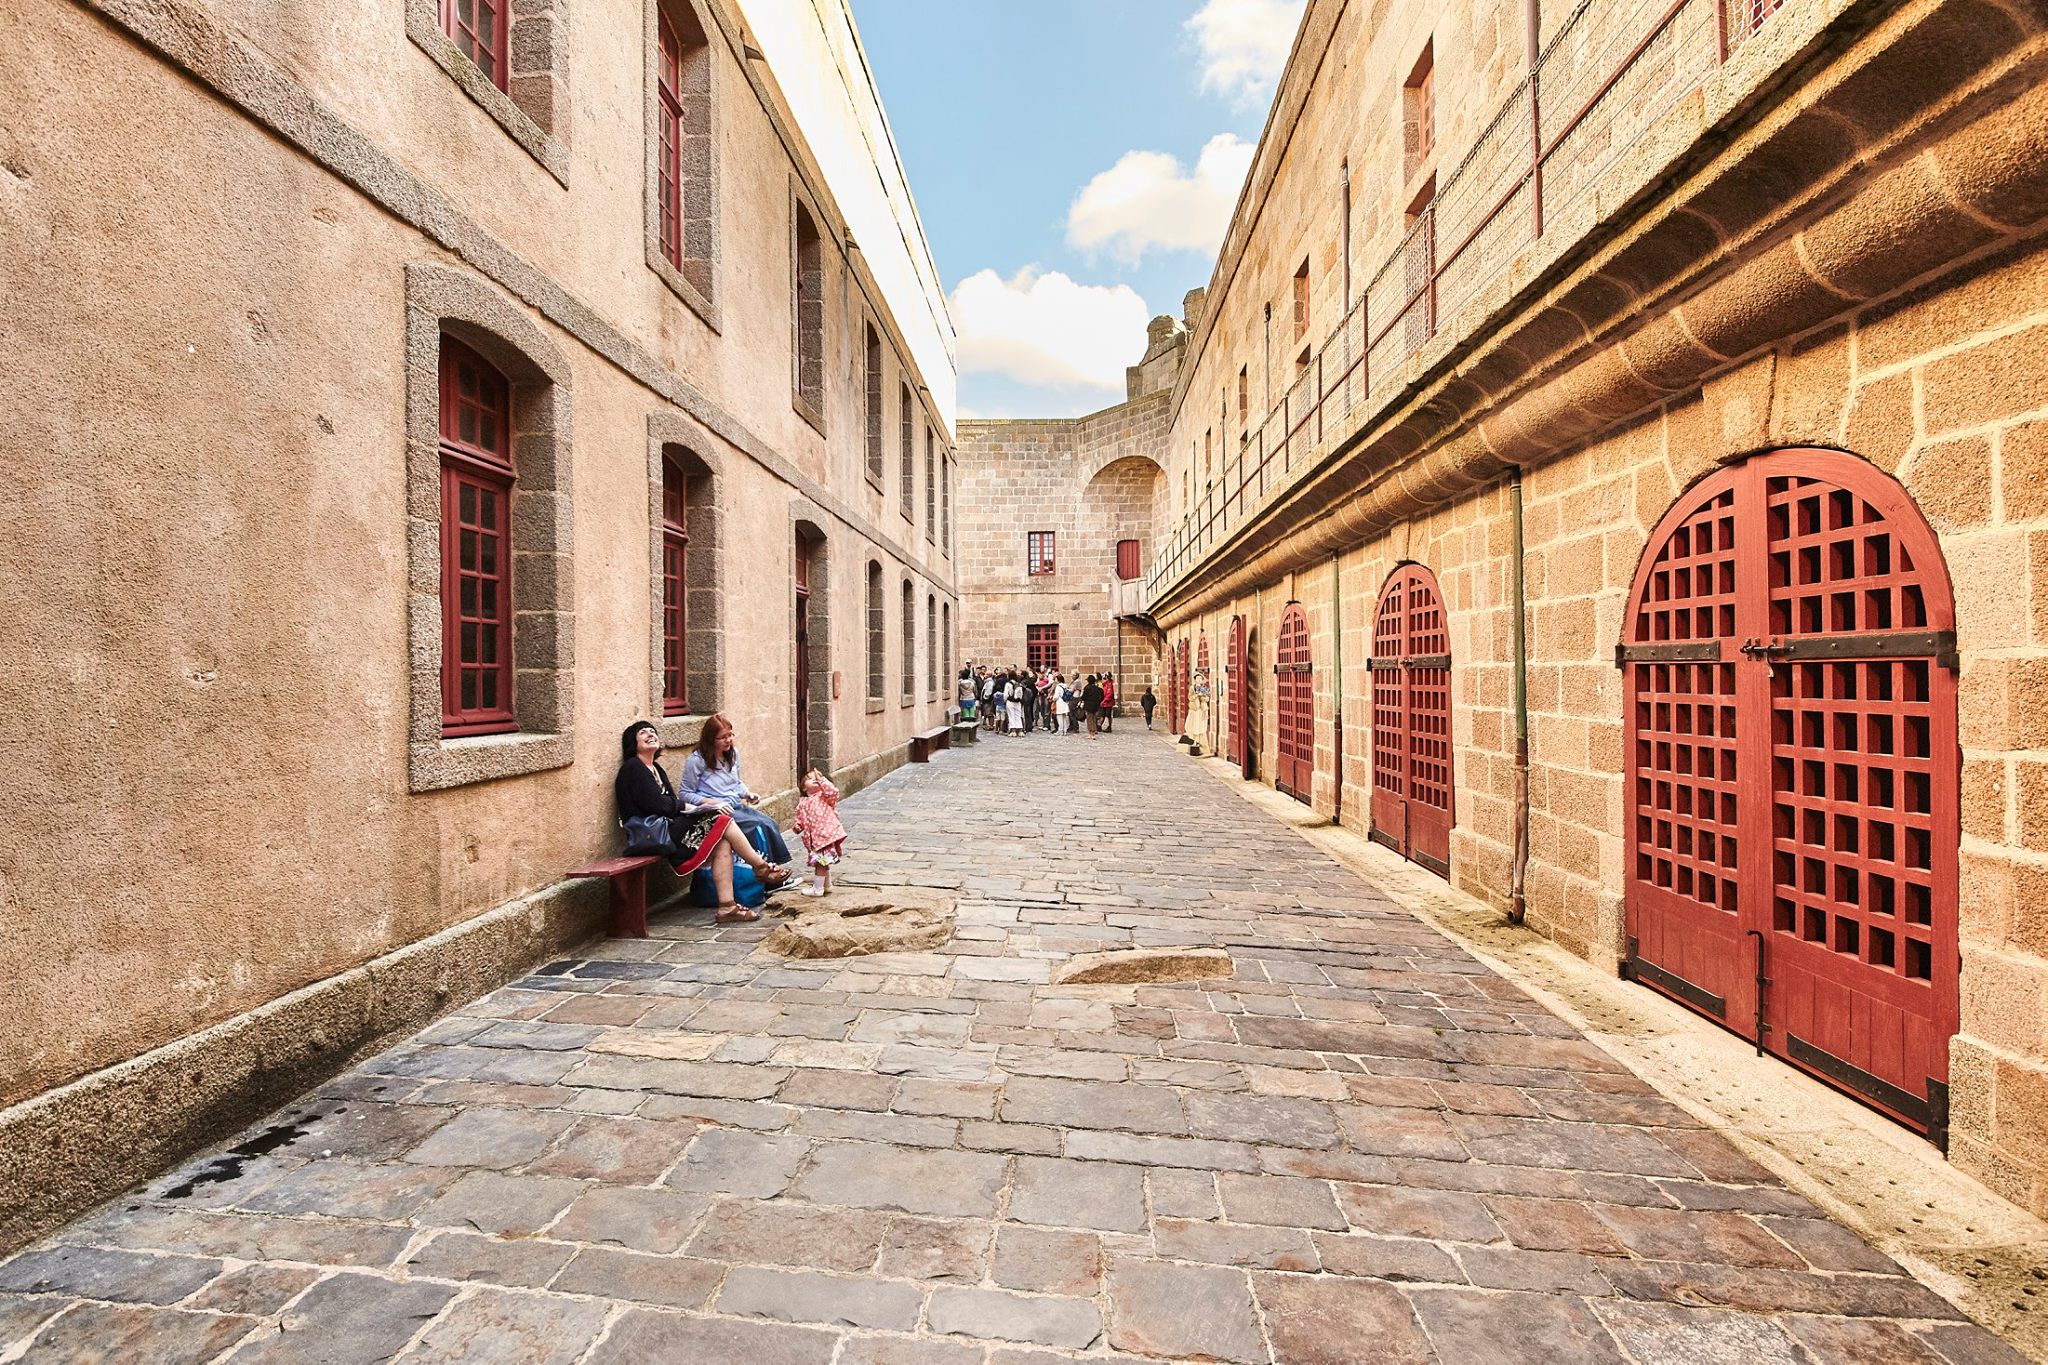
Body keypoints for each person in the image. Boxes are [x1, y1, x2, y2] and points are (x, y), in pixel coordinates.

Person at [616, 721, 790, 923]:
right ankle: (760, 867)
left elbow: (669, 804)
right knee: (721, 819)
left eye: (652, 731)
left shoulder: (654, 767)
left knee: (721, 840)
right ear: (632, 741)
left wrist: (690, 809)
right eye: (642, 732)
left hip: (666, 829)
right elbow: (660, 805)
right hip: (650, 834)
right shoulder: (633, 768)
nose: (650, 734)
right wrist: (693, 808)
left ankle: (727, 907)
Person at [680, 715, 792, 864]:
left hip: (735, 806)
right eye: (722, 737)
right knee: (757, 827)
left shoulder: (733, 754)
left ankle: (775, 868)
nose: (728, 740)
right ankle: (765, 873)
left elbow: (736, 783)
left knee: (769, 823)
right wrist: (711, 802)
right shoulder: (697, 761)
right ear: (711, 739)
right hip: (716, 812)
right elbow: (685, 793)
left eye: (730, 735)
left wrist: (747, 793)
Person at [793, 769, 847, 897]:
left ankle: (817, 889)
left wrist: (823, 781)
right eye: (811, 779)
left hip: (825, 836)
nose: (816, 780)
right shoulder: (803, 802)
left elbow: (833, 792)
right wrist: (797, 826)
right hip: (814, 839)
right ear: (804, 788)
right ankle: (827, 886)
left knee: (820, 862)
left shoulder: (824, 797)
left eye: (818, 778)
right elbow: (800, 818)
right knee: (823, 862)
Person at [1082, 673, 1105, 738]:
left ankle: (1091, 733)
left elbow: (1083, 697)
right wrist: (1098, 701)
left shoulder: (1087, 688)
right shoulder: (1096, 688)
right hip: (1095, 705)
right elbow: (1102, 695)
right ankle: (1095, 731)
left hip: (1088, 705)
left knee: (1089, 719)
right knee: (1094, 718)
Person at [1005, 671, 1026, 736]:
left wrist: (1005, 700)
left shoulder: (1008, 684)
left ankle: (1013, 731)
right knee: (1018, 716)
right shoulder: (1019, 684)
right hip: (1018, 702)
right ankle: (1020, 731)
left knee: (1011, 716)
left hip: (1010, 701)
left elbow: (1006, 694)